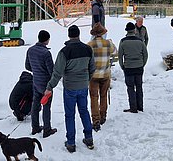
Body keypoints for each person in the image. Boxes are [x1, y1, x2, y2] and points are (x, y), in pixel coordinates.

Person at [44, 25, 95, 153]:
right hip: (83, 86)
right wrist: (86, 79)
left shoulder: (64, 52)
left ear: (69, 35)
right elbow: (92, 68)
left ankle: (71, 143)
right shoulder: (88, 49)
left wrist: (49, 87)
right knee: (84, 111)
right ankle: (89, 138)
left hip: (70, 88)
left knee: (70, 115)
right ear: (78, 35)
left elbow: (57, 73)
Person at [25, 30, 57, 138]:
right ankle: (47, 129)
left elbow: (27, 66)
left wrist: (36, 70)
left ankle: (35, 127)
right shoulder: (46, 53)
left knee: (35, 105)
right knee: (46, 107)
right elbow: (51, 71)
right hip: (46, 85)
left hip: (36, 82)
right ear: (47, 40)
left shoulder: (30, 50)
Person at [87, 23, 116, 131]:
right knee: (103, 95)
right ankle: (103, 115)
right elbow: (115, 52)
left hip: (93, 75)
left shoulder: (89, 44)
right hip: (105, 74)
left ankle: (95, 119)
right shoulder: (108, 43)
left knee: (94, 97)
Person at [118, 22, 148, 113]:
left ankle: (133, 107)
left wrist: (122, 66)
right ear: (134, 30)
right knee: (139, 86)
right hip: (139, 66)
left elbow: (120, 56)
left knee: (130, 87)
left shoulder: (123, 41)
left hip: (128, 67)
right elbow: (145, 54)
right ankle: (140, 106)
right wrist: (142, 64)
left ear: (127, 31)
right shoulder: (140, 41)